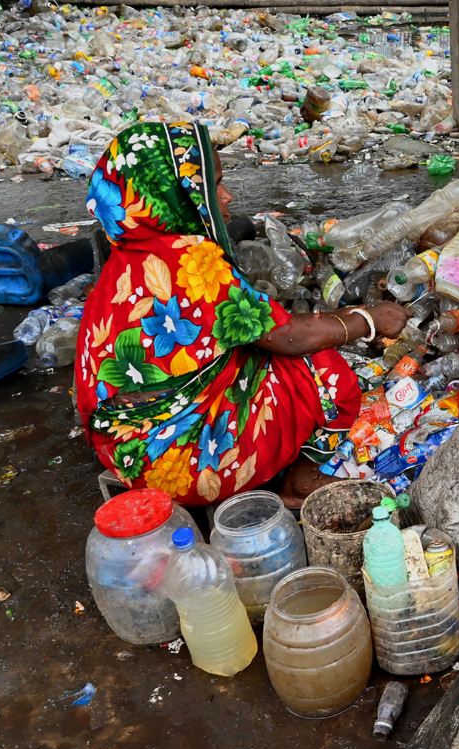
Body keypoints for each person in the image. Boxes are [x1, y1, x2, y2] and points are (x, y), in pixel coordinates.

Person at [76, 121, 410, 507]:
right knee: (325, 372)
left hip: (123, 454)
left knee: (253, 351)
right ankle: (299, 480)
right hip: (183, 469)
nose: (227, 196)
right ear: (177, 193)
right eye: (213, 184)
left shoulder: (126, 257)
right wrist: (367, 320)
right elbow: (291, 338)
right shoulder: (189, 258)